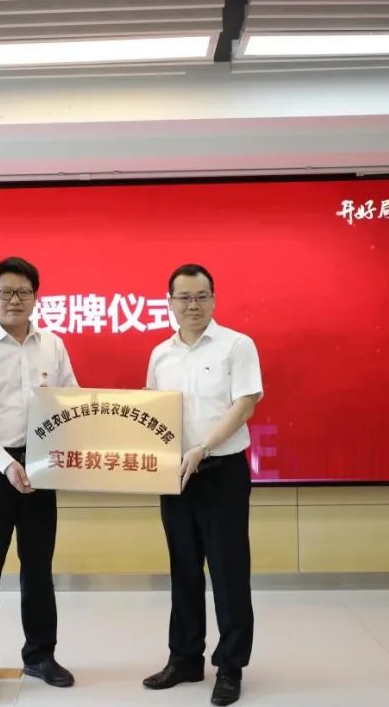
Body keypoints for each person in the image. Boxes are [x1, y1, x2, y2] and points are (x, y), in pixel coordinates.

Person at [0, 256, 78, 704]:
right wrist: (6, 463)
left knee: (39, 567)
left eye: (23, 292)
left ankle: (40, 656)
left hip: (40, 464)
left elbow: (70, 400)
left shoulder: (53, 346)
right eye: (5, 292)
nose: (14, 300)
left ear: (35, 297)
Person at [142, 264, 263, 706]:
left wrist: (203, 448)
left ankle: (230, 666)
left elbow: (245, 404)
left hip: (221, 471)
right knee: (184, 568)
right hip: (174, 473)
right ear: (169, 302)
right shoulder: (160, 354)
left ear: (213, 299)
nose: (193, 305)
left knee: (229, 571)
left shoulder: (237, 345)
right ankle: (185, 658)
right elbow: (151, 412)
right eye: (184, 297)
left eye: (201, 296)